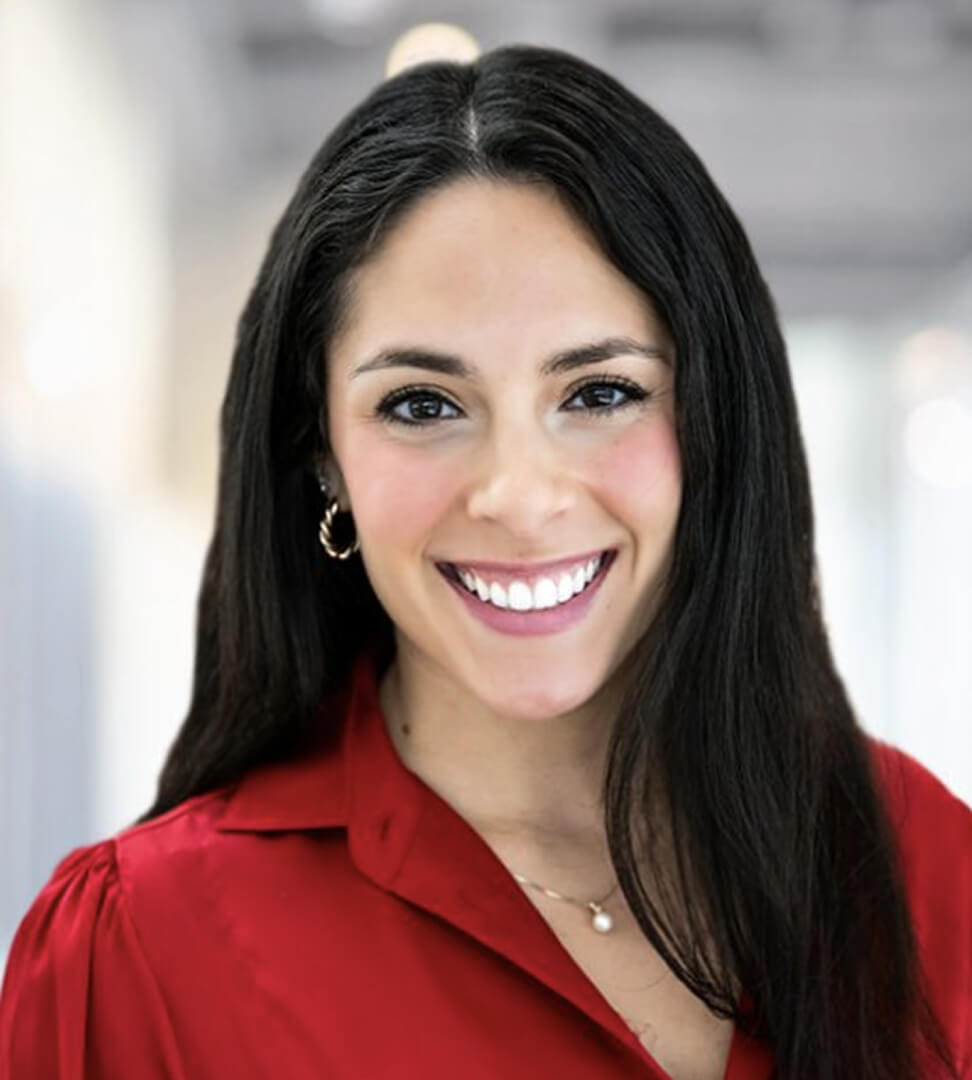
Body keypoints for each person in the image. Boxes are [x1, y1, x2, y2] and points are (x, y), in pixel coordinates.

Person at [1, 43, 969, 1080]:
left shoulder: (921, 868)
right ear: (324, 454)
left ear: (711, 422)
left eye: (600, 393)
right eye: (422, 405)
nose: (517, 492)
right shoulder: (143, 950)